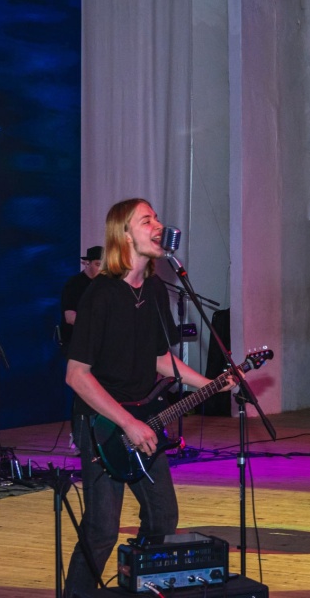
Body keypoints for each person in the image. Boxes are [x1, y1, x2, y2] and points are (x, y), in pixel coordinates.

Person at [64, 198, 235, 596]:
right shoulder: (101, 294)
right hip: (102, 424)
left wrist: (211, 383)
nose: (158, 225)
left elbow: (160, 359)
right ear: (124, 234)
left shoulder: (156, 289)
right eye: (146, 221)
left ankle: (140, 584)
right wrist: (127, 423)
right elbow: (76, 375)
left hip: (143, 419)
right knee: (101, 529)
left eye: (157, 218)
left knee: (162, 517)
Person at [59, 245, 103, 358]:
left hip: (99, 343)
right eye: (98, 264)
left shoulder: (106, 285)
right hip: (77, 342)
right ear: (87, 263)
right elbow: (70, 317)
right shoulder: (74, 284)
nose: (102, 269)